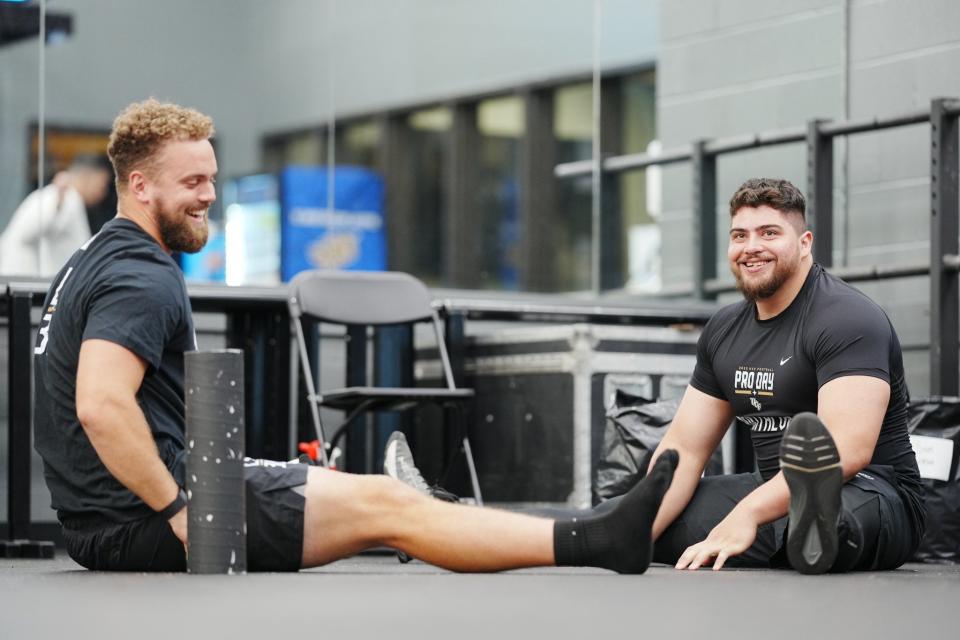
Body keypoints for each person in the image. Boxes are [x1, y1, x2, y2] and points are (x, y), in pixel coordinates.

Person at [32, 98, 678, 574]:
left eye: (212, 178)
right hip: (145, 519)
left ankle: (579, 528)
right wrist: (180, 513)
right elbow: (100, 404)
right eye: (192, 183)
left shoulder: (92, 259)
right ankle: (596, 542)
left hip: (108, 519)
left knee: (381, 495)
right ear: (139, 184)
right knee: (387, 506)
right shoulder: (140, 275)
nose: (209, 196)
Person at [639, 177, 925, 573]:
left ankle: (802, 532)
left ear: (804, 243)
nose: (751, 247)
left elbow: (846, 450)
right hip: (771, 489)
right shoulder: (724, 329)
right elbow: (685, 448)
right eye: (739, 235)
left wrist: (748, 514)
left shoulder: (846, 318)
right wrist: (637, 528)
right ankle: (788, 534)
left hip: (873, 490)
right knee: (643, 521)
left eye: (769, 233)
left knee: (835, 520)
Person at [0, 155, 111, 277]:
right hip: (24, 285)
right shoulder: (61, 197)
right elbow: (30, 230)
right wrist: (57, 203)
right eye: (102, 185)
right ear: (86, 178)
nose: (103, 192)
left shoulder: (71, 199)